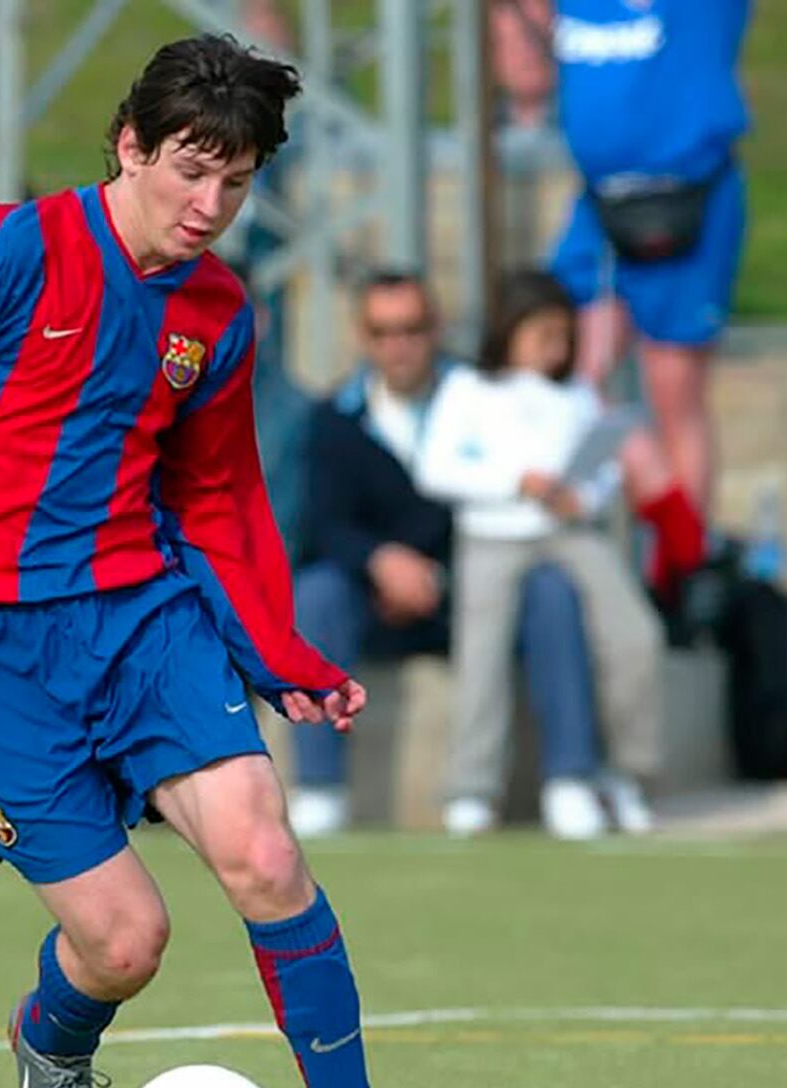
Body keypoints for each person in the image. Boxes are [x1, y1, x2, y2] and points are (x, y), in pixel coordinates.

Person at [0, 33, 423, 1088]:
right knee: (126, 940)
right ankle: (49, 1036)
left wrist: (283, 654)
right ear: (130, 146)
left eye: (239, 182)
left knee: (264, 851)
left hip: (141, 621)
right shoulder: (11, 250)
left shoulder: (216, 313)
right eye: (190, 172)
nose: (210, 206)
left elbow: (217, 499)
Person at [289, 267, 605, 841]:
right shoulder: (334, 418)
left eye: (412, 328)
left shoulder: (486, 399)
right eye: (383, 332)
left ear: (435, 330)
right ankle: (319, 788)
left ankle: (572, 780)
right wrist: (381, 562)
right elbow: (324, 522)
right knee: (315, 595)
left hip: (475, 581)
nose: (399, 344)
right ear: (364, 337)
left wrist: (436, 573)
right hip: (373, 597)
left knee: (550, 591)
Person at [417, 267, 667, 839]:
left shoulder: (577, 393)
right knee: (481, 660)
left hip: (570, 533)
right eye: (542, 334)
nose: (554, 348)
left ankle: (627, 776)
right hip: (492, 537)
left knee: (635, 637)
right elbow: (437, 468)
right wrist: (515, 481)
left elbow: (600, 468)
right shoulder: (469, 388)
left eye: (562, 336)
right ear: (510, 329)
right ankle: (472, 787)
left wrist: (583, 495)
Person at [530, 1, 750, 579]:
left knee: (673, 384)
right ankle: (668, 513)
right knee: (564, 356)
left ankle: (680, 571)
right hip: (603, 200)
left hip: (688, 198)